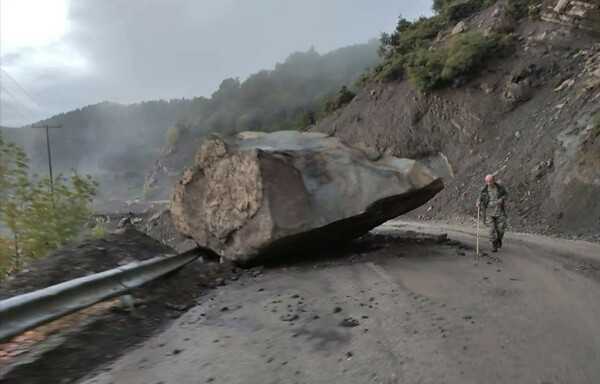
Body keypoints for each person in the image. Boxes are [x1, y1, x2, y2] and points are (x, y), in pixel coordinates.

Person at [476, 174, 508, 253]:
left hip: (499, 212)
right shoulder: (484, 189)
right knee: (491, 230)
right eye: (487, 181)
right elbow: (480, 197)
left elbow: (506, 194)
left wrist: (502, 199)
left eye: (490, 181)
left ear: (494, 180)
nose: (489, 183)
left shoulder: (500, 187)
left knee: (501, 229)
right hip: (488, 213)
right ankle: (494, 244)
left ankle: (499, 239)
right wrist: (478, 202)